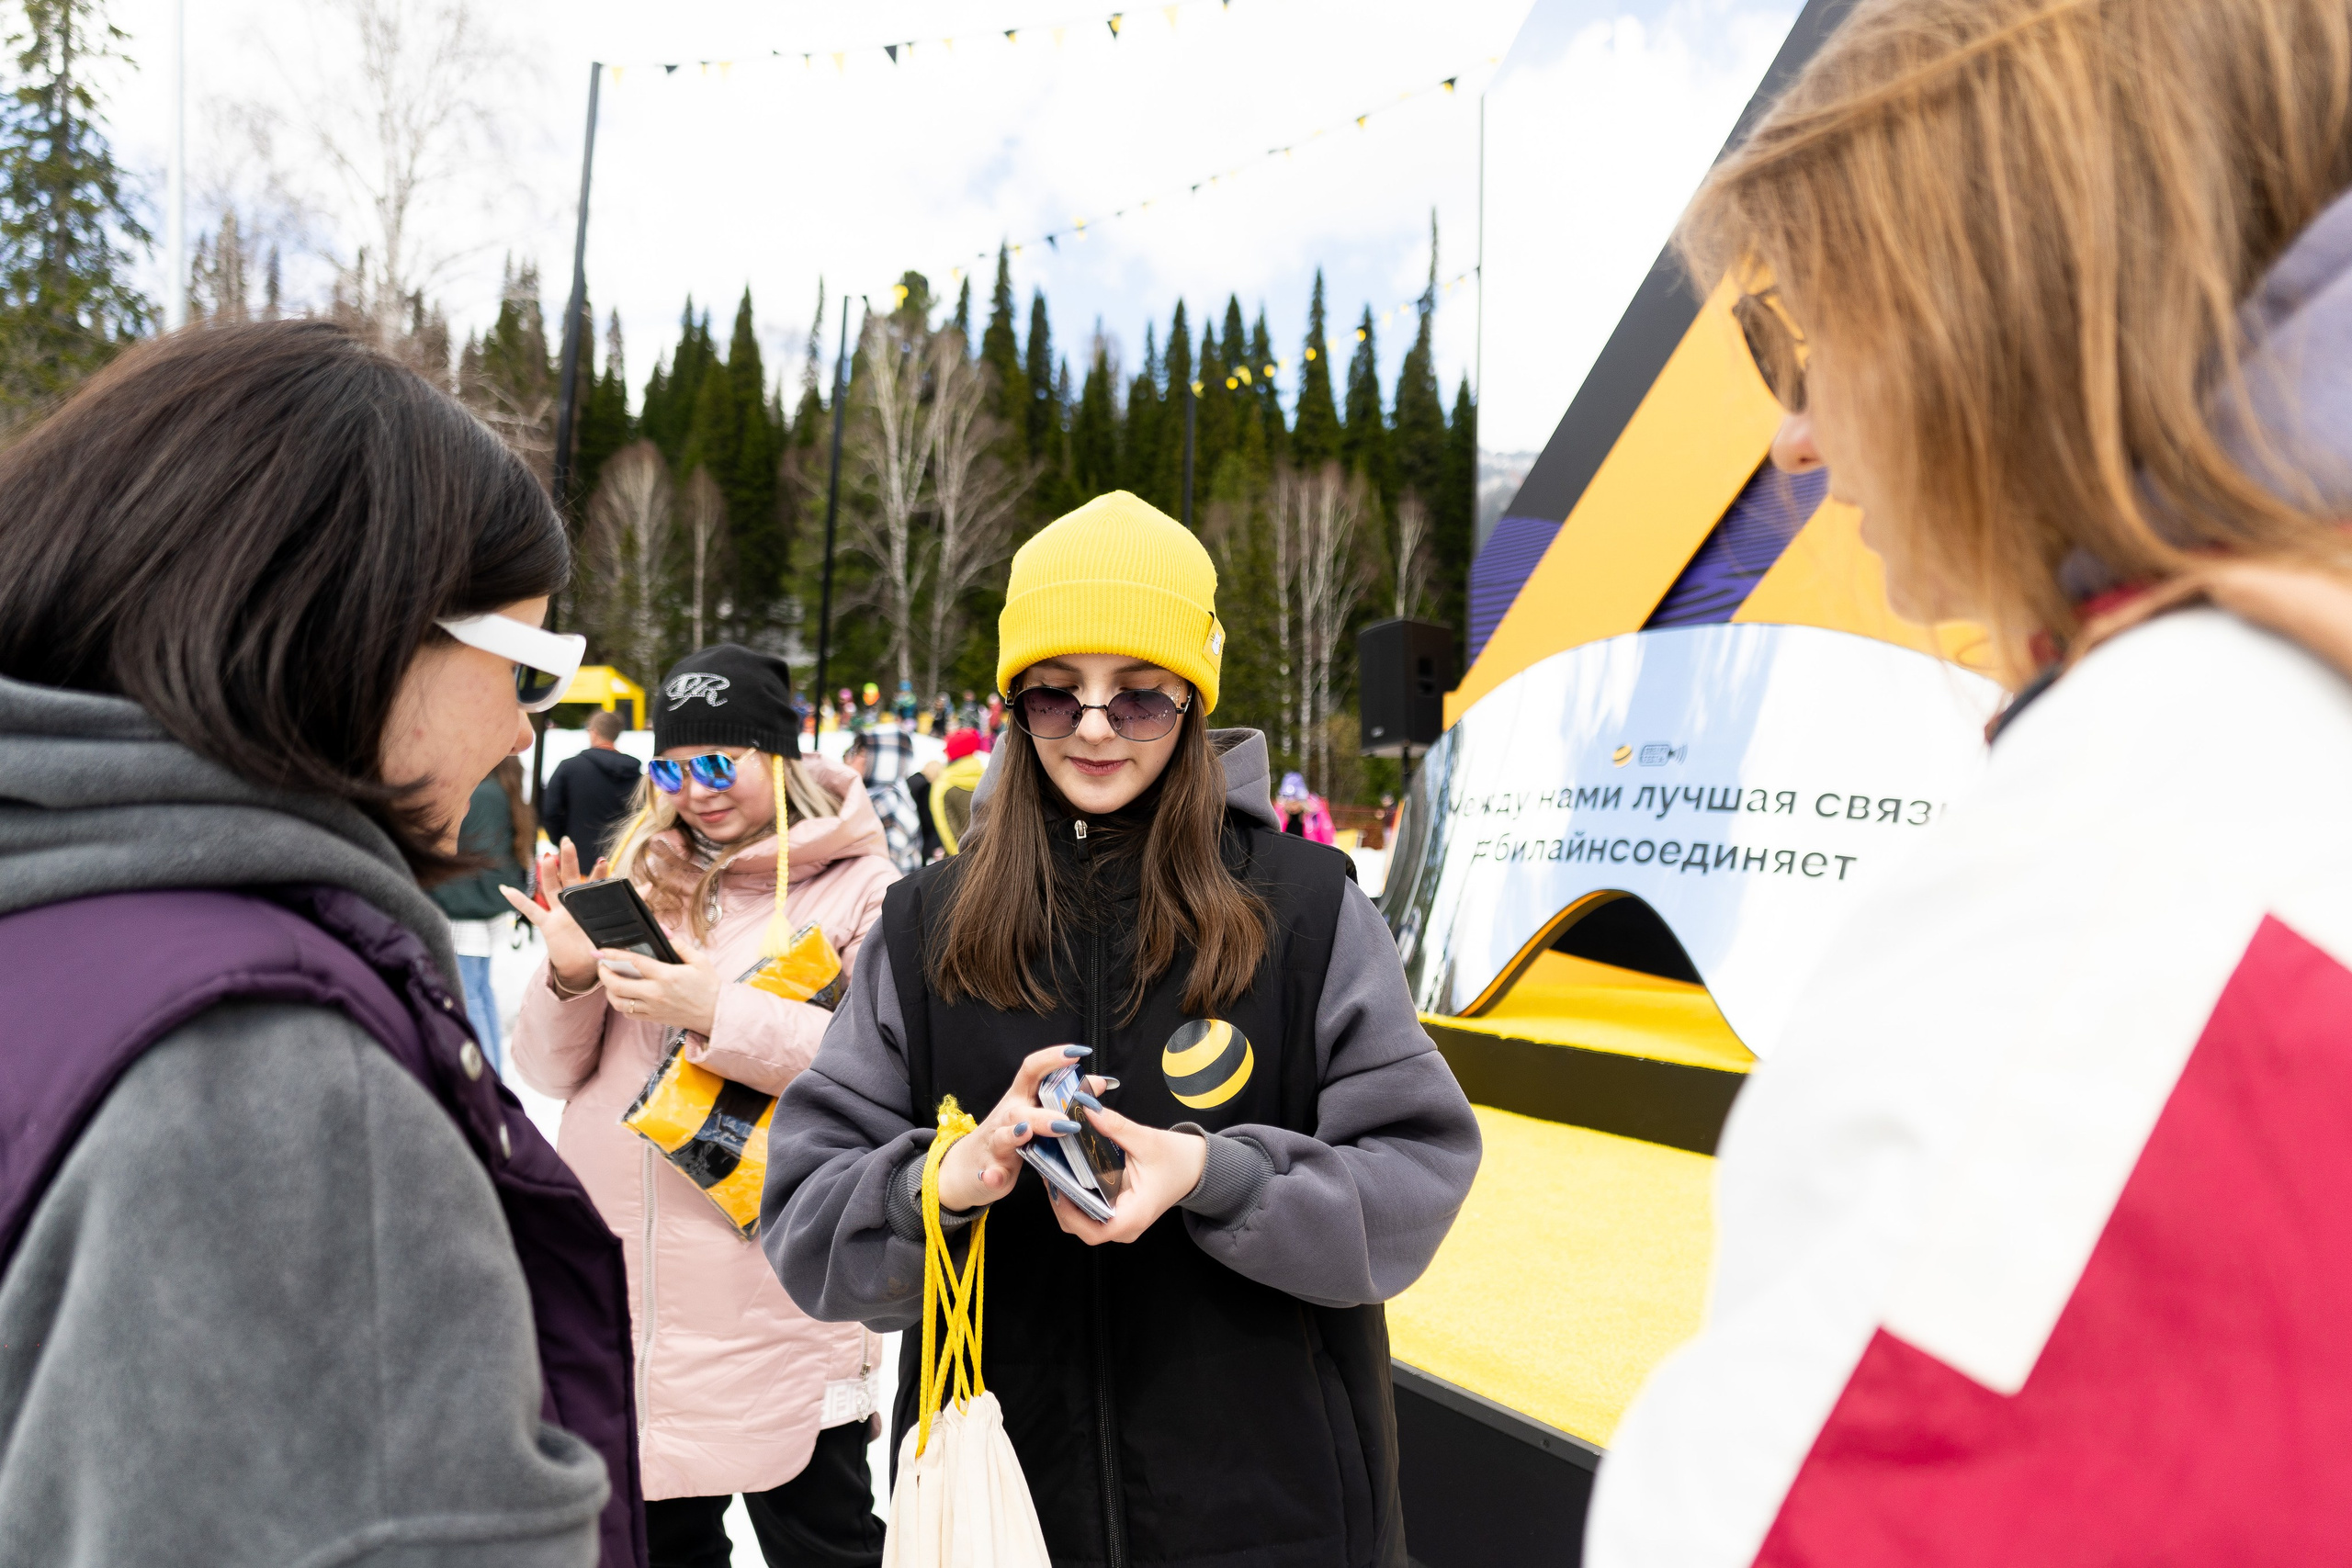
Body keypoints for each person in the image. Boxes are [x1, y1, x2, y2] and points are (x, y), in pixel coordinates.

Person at [1588, 2, 2352, 1562]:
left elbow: (1805, 1513)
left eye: (1799, 328)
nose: (1794, 436)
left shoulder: (2142, 848)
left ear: (1987, 288)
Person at [0, 320, 634, 1565]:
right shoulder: (272, 1088)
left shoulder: (55, 923)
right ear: (347, 621)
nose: (523, 732)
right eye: (528, 664)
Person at [764, 491, 1482, 1568]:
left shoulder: (1308, 906)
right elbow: (808, 1222)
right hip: (1005, 1512)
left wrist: (1215, 1177)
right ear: (1015, 708)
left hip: (1273, 1511)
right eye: (1056, 697)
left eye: (1138, 698)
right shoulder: (926, 922)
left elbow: (1415, 1180)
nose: (1094, 728)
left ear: (1193, 702)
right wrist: (948, 1179)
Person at [504, 644, 899, 1568]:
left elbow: (876, 1074)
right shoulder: (636, 872)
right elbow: (550, 1073)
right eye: (673, 768)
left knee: (826, 1545)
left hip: (772, 1296)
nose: (696, 789)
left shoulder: (862, 892)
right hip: (630, 1294)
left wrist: (711, 1010)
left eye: (719, 762)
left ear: (781, 753)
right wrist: (567, 974)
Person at [430, 754, 536, 1071]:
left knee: (469, 994)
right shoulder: (506, 793)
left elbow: (453, 847)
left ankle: (487, 1074)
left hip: (464, 905)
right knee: (481, 989)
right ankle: (495, 1070)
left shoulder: (478, 794)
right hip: (484, 904)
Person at [543, 707, 642, 868]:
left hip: (578, 863)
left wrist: (563, 841)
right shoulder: (634, 773)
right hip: (621, 863)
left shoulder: (569, 768)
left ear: (593, 732)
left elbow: (550, 812)